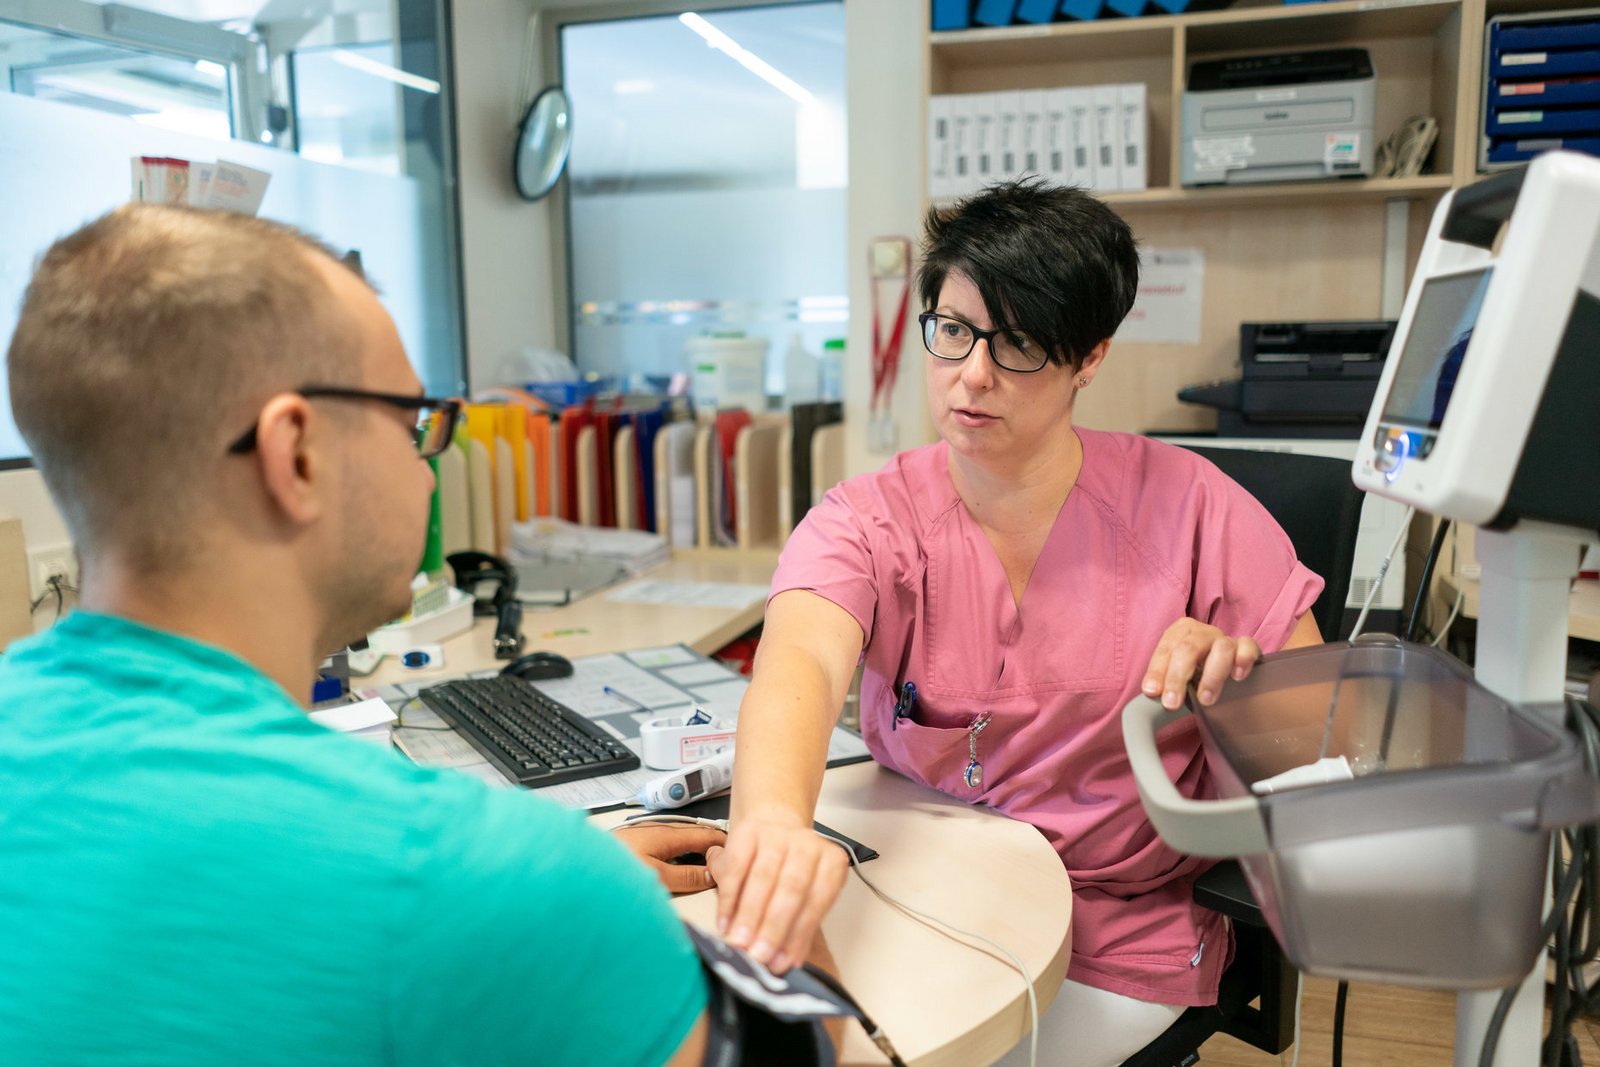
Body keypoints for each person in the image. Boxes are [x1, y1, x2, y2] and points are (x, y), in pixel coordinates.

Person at [0, 205, 829, 1066]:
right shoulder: (463, 875)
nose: (427, 456)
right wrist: (734, 889)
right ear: (299, 455)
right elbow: (819, 1040)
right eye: (413, 420)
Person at [710, 178, 1324, 1067]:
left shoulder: (1192, 509)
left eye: (1021, 343)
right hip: (923, 889)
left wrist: (1242, 683)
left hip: (1112, 928)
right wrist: (770, 822)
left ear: (1091, 357)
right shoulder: (869, 518)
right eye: (954, 329)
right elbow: (799, 656)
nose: (973, 374)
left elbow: (1319, 746)